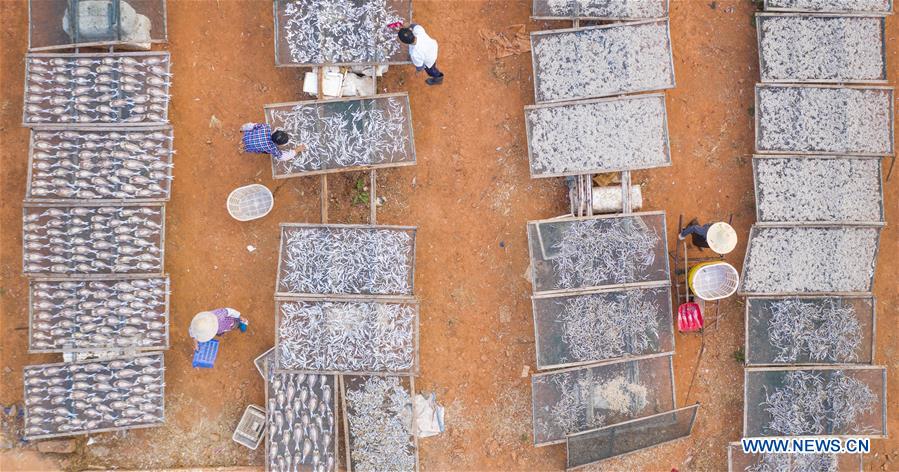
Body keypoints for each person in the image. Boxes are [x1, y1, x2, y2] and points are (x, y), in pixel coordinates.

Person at [240, 123, 306, 161]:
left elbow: (251, 125)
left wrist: (242, 128)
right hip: (249, 148)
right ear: (277, 144)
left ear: (275, 132)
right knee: (265, 151)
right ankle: (242, 148)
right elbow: (283, 157)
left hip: (246, 136)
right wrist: (297, 150)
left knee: (247, 139)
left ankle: (241, 142)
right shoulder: (271, 148)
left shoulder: (266, 127)